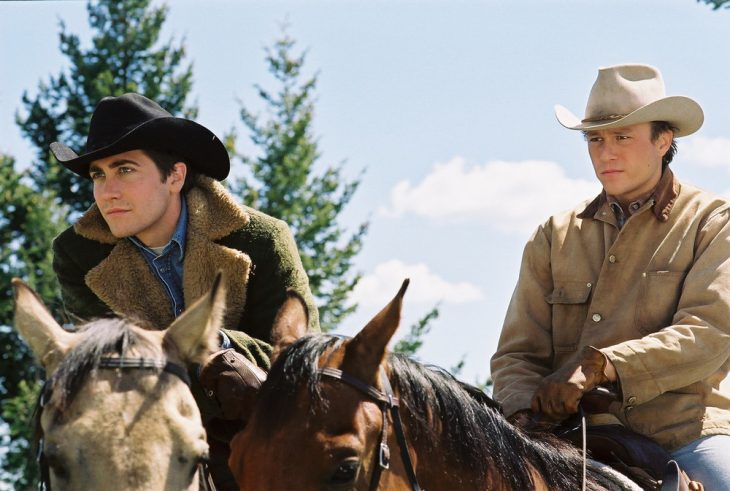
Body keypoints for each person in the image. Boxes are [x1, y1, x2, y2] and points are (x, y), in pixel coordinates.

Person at [50, 92, 320, 490]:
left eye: (125, 170)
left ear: (175, 176)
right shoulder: (78, 255)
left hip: (261, 440)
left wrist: (217, 345)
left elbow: (299, 360)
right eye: (98, 175)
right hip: (150, 441)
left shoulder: (262, 239)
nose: (107, 192)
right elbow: (110, 366)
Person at [490, 64, 730, 487]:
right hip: (565, 439)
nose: (606, 153)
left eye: (623, 137)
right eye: (595, 139)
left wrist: (603, 366)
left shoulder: (713, 223)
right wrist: (523, 413)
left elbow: (708, 334)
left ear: (663, 140)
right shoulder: (554, 235)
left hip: (682, 433)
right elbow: (516, 355)